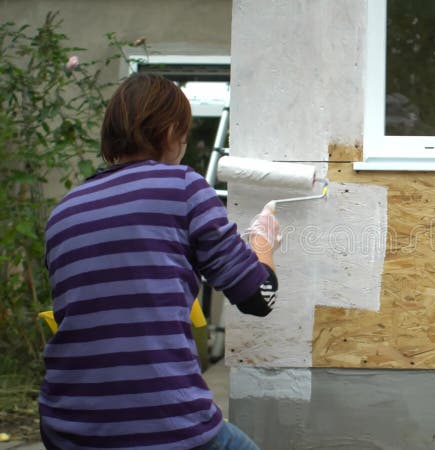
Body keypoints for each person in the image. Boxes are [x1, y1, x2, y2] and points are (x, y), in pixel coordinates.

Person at [39, 73, 278, 449]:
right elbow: (259, 298)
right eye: (184, 135)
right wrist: (264, 245)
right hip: (161, 421)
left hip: (66, 424)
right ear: (170, 133)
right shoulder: (181, 186)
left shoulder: (64, 209)